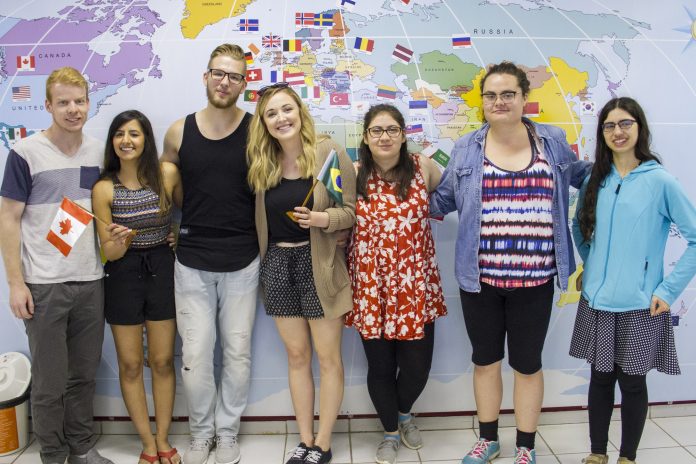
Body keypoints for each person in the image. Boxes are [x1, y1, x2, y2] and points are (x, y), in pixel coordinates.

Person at [430, 61, 591, 464]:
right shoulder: (467, 147)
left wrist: (630, 168)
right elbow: (443, 199)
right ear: (482, 102)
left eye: (507, 94)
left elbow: (585, 176)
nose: (499, 101)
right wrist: (396, 189)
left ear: (523, 98)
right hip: (480, 280)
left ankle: (525, 446)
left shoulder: (552, 141)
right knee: (485, 362)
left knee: (527, 365)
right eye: (491, 95)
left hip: (535, 281)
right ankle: (488, 440)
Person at [0, 67, 121, 464]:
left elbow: (103, 209)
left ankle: (81, 447)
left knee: (83, 376)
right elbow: (8, 219)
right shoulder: (25, 153)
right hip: (44, 285)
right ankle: (53, 454)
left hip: (90, 280)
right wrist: (16, 284)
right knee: (50, 382)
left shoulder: (98, 152)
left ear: (88, 103)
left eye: (79, 101)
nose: (73, 109)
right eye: (63, 102)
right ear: (48, 106)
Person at [570, 97, 696, 464]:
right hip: (597, 302)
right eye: (609, 126)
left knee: (632, 382)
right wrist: (593, 266)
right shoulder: (596, 180)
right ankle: (597, 453)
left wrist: (668, 290)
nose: (618, 132)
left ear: (639, 127)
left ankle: (628, 456)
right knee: (600, 379)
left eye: (625, 123)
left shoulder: (660, 181)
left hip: (641, 303)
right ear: (602, 133)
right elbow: (579, 226)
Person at [160, 43, 259, 464]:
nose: (224, 82)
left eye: (234, 76)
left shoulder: (257, 130)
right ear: (206, 76)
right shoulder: (178, 132)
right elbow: (167, 185)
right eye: (218, 73)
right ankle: (201, 434)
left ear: (243, 84)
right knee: (196, 356)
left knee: (237, 353)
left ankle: (228, 432)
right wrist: (169, 228)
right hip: (192, 260)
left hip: (244, 259)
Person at [246, 83, 356, 464]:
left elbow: (351, 211)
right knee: (296, 356)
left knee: (328, 359)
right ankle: (305, 440)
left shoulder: (328, 153)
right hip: (277, 265)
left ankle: (323, 444)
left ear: (300, 111)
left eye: (287, 109)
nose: (281, 118)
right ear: (264, 123)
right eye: (272, 113)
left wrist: (322, 219)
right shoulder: (263, 163)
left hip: (319, 264)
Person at [345, 104, 446, 464]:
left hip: (415, 285)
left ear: (403, 135)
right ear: (366, 137)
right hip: (371, 287)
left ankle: (404, 413)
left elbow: (450, 198)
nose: (384, 137)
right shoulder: (352, 173)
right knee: (381, 368)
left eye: (392, 130)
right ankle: (390, 431)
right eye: (377, 130)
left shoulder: (424, 168)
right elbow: (338, 219)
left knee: (418, 367)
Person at [92, 110, 182, 464]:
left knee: (162, 361)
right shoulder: (103, 188)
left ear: (146, 139)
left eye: (134, 133)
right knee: (130, 365)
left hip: (162, 268)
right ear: (112, 141)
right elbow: (109, 252)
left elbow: (192, 213)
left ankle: (163, 438)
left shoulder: (167, 174)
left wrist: (179, 237)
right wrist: (120, 242)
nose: (126, 140)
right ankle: (147, 443)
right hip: (122, 273)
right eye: (119, 134)